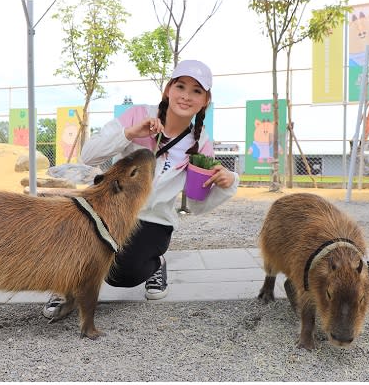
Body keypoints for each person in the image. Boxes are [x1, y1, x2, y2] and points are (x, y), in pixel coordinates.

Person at [43, 60, 239, 318]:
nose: (186, 96)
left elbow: (195, 204)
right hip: (107, 206)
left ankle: (156, 263)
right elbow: (89, 156)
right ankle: (65, 288)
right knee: (73, 235)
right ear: (169, 89)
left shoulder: (200, 143)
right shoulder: (138, 115)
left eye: (196, 91)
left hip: (151, 219)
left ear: (205, 101)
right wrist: (129, 133)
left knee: (120, 274)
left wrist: (227, 182)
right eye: (180, 86)